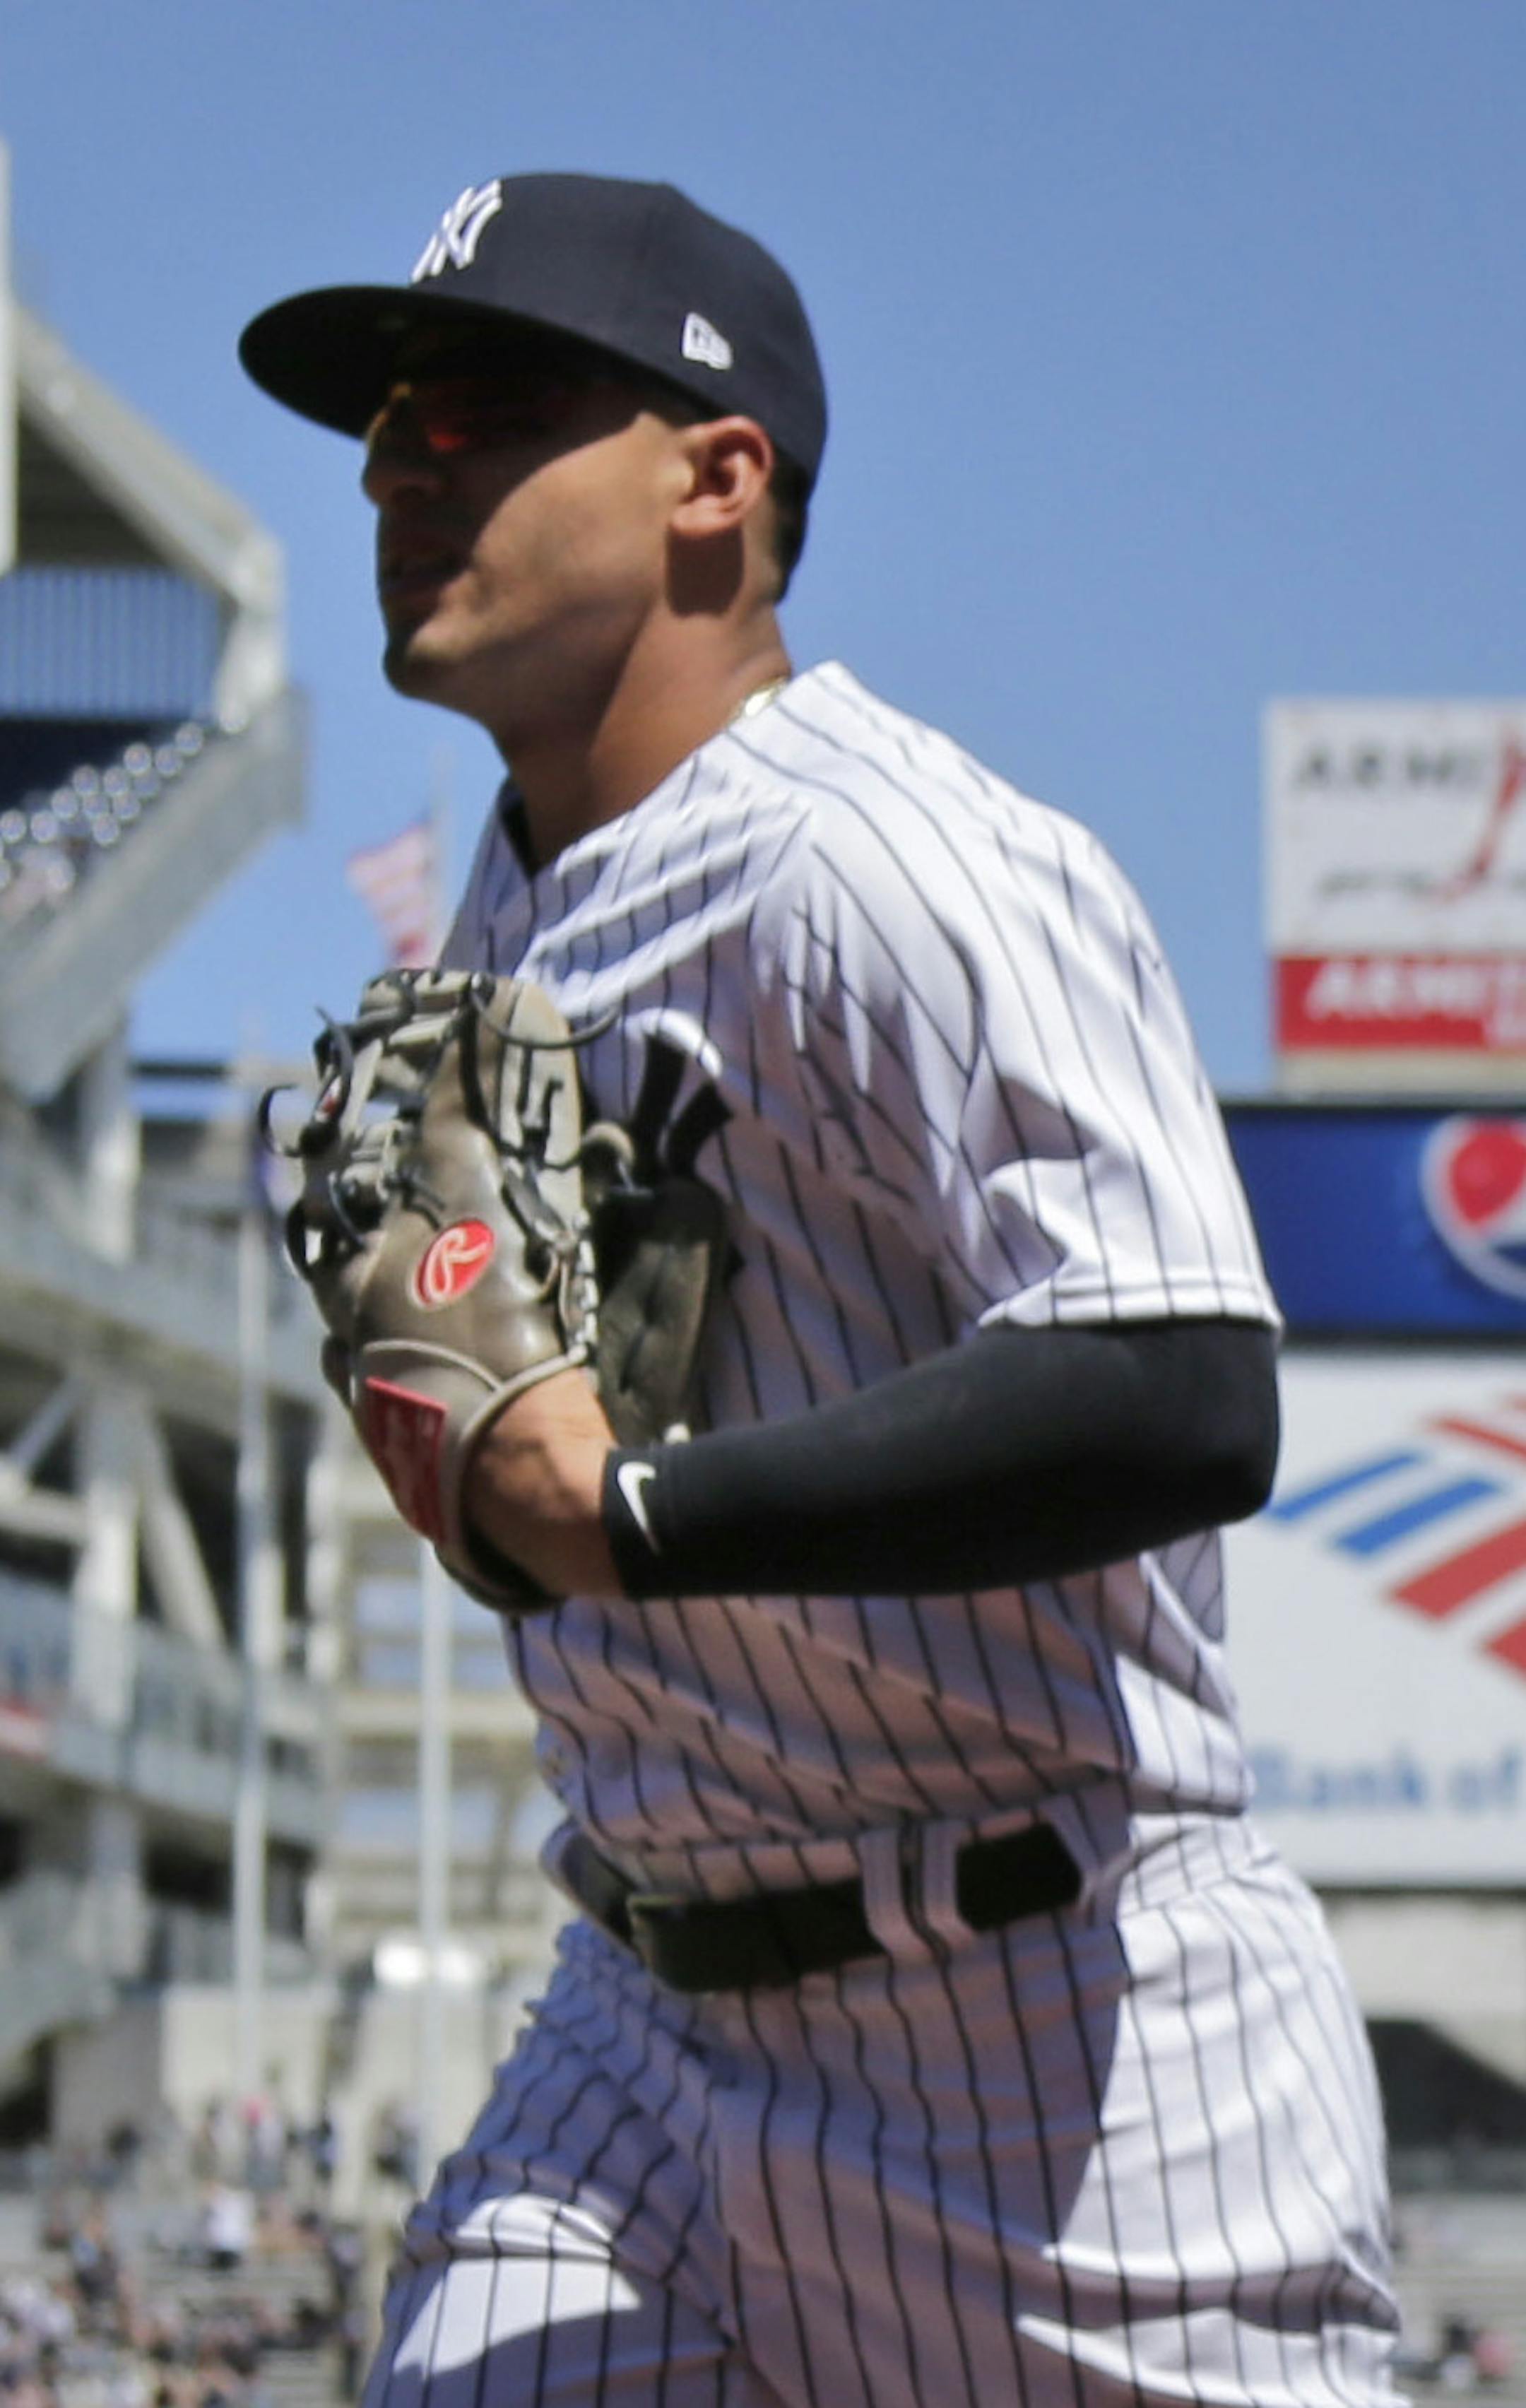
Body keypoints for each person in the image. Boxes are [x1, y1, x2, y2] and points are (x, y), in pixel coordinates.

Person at [239, 172, 1402, 2407]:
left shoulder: (890, 860)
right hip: (645, 2025)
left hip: (1059, 2045)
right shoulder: (505, 911)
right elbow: (597, 1517)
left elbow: (1181, 1392)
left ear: (715, 474)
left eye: (477, 405)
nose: (399, 466)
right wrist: (487, 1487)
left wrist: (627, 1517)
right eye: (385, 424)